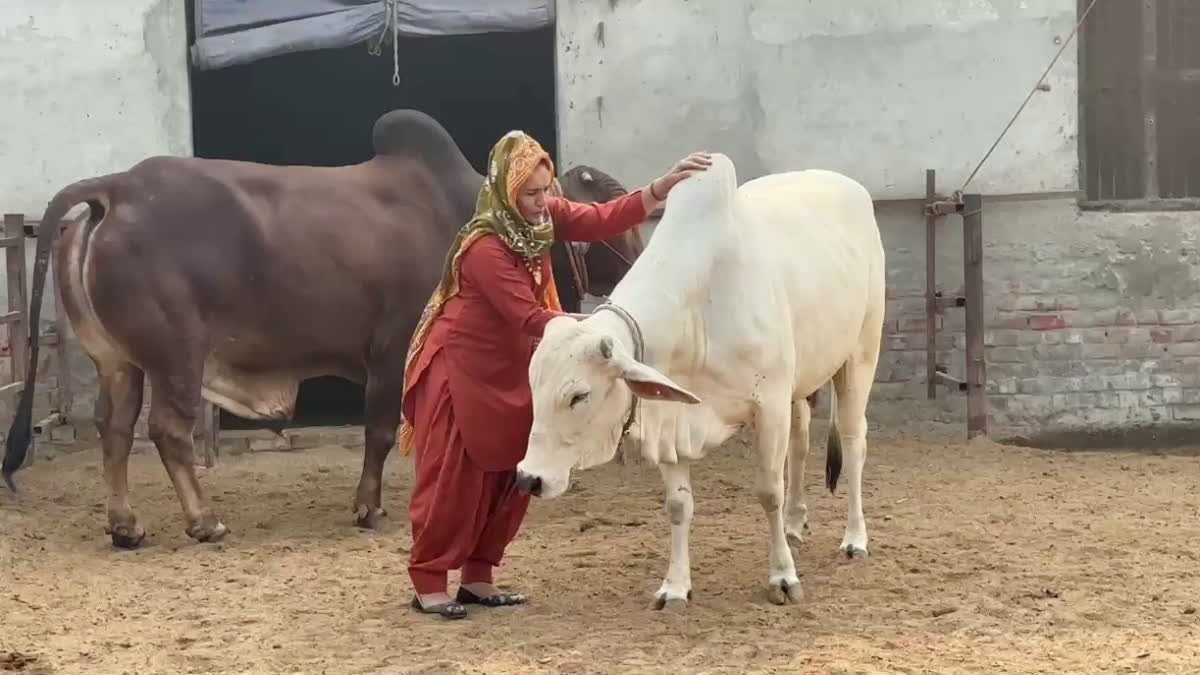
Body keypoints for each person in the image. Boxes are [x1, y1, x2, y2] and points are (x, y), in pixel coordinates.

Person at [398, 129, 711, 619]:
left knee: (512, 473)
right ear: (505, 190)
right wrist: (601, 326)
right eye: (531, 193)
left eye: (546, 190)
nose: (543, 201)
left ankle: (478, 578)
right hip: (465, 369)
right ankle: (429, 581)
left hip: (521, 367)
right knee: (454, 479)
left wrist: (659, 188)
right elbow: (527, 314)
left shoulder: (543, 219)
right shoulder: (485, 246)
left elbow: (603, 218)